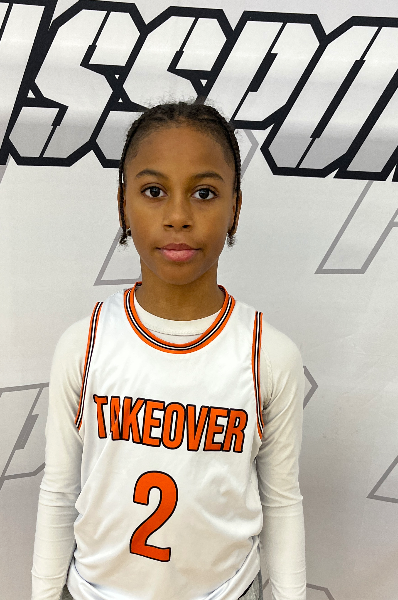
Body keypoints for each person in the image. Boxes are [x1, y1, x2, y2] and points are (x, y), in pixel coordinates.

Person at [31, 101, 306, 600]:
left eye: (204, 193)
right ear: (123, 205)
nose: (178, 217)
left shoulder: (268, 355)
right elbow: (58, 493)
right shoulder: (84, 344)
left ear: (235, 208)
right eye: (154, 191)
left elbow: (282, 503)